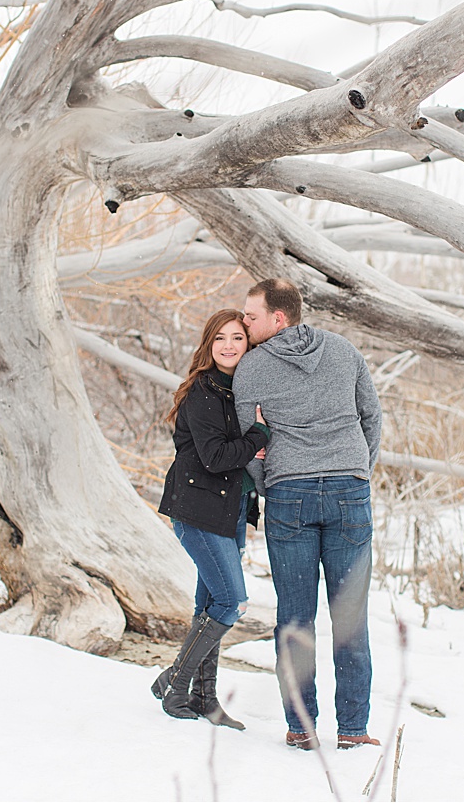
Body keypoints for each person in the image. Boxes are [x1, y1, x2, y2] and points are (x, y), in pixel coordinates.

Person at [234, 278, 384, 752]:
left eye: (251, 316)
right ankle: (354, 731)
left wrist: (271, 484)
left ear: (279, 318)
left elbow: (249, 443)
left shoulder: (251, 367)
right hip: (349, 493)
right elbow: (371, 417)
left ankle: (302, 728)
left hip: (289, 496)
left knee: (294, 619)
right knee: (351, 618)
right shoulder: (343, 350)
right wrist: (357, 470)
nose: (243, 323)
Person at [153, 308, 269, 729]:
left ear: (248, 344)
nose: (228, 346)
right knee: (231, 601)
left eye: (237, 338)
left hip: (230, 510)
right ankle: (176, 683)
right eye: (219, 338)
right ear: (208, 344)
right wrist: (257, 436)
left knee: (208, 603)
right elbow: (216, 457)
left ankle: (205, 698)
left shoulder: (240, 391)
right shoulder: (204, 391)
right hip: (197, 510)